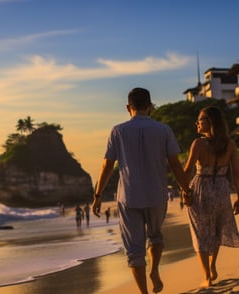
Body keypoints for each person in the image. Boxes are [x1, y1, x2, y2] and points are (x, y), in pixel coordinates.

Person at [92, 87, 190, 294]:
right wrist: (185, 189)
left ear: (128, 107)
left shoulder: (117, 131)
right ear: (150, 107)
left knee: (134, 250)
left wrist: (98, 195)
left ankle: (144, 293)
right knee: (155, 236)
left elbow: (107, 166)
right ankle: (154, 270)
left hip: (129, 197)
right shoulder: (164, 130)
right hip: (157, 195)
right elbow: (175, 165)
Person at [183, 106, 239, 288]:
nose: (197, 123)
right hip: (222, 189)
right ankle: (213, 265)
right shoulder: (229, 144)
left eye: (200, 120)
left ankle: (207, 275)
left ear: (210, 122)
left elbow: (188, 169)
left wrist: (185, 191)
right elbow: (236, 174)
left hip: (201, 189)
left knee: (200, 233)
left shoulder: (198, 144)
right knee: (216, 231)